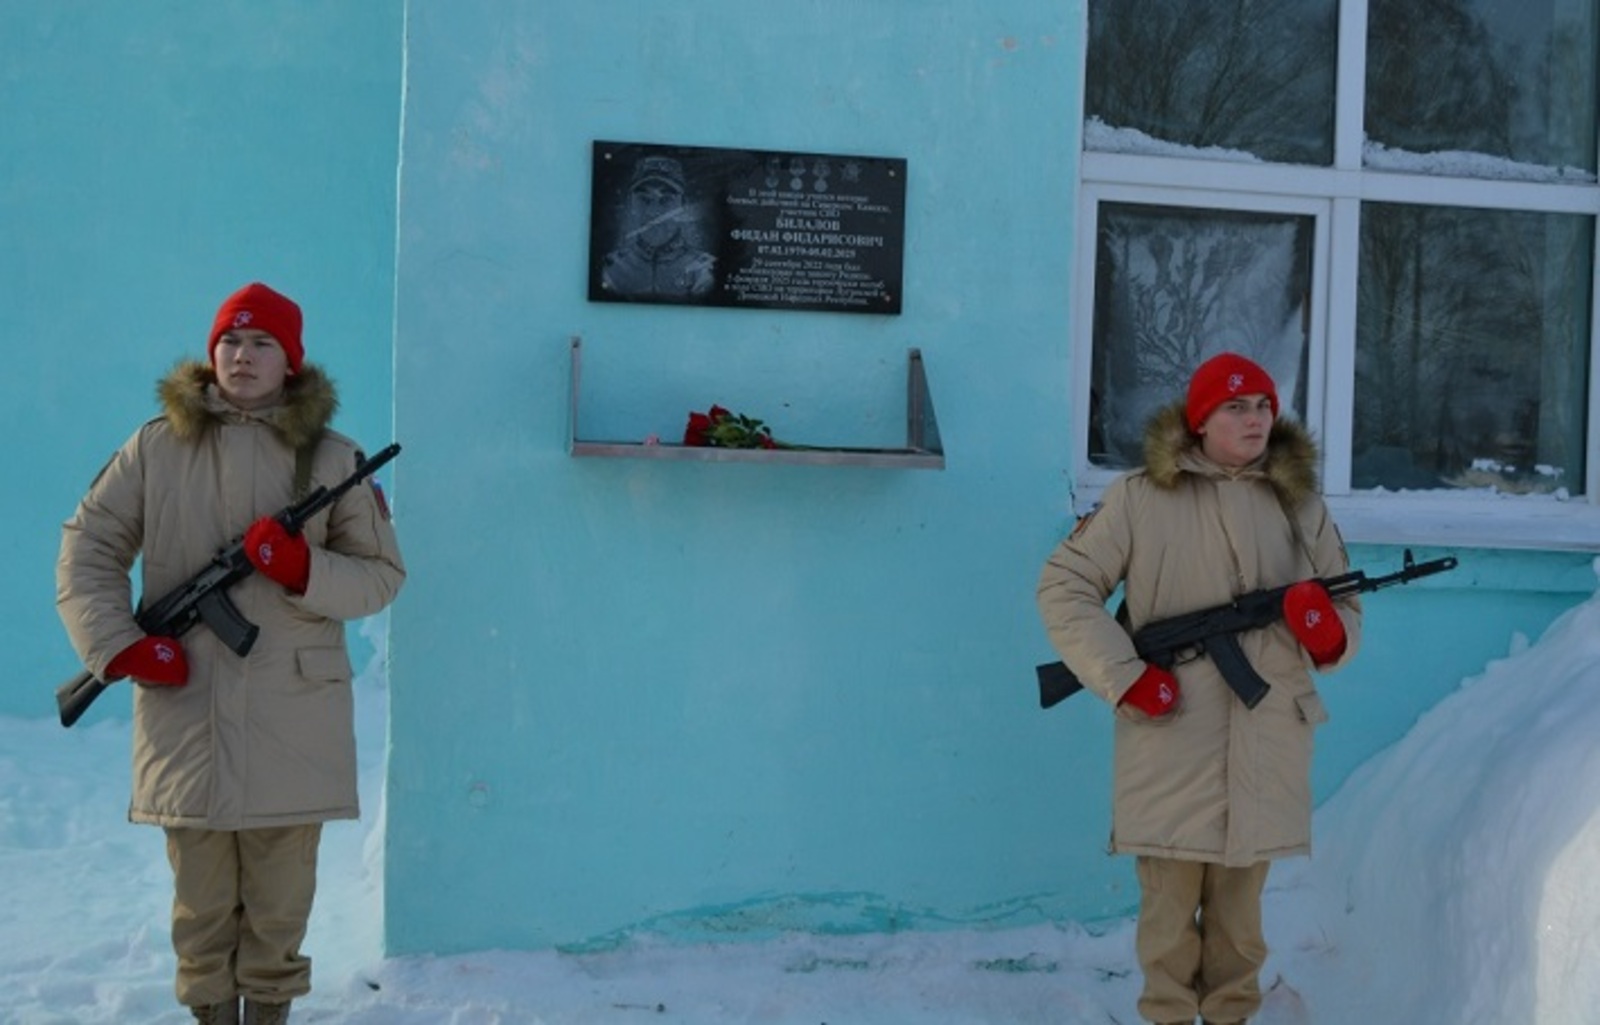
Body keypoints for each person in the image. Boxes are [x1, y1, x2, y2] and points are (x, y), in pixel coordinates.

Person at [56, 282, 406, 1025]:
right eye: (230, 342)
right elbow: (88, 549)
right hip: (190, 714)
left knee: (279, 911)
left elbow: (381, 578)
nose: (242, 357)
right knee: (202, 908)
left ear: (292, 362)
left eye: (262, 344)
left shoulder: (335, 459)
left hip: (294, 715)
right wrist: (121, 647)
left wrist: (303, 570)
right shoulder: (156, 447)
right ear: (211, 354)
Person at [1035, 352, 1361, 1025]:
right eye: (1236, 407)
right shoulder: (1140, 497)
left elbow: (1346, 609)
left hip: (1267, 735)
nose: (1255, 418)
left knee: (1241, 925)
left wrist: (1326, 632)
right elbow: (1064, 588)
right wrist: (1125, 677)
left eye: (1264, 406)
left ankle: (1230, 1018)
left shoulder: (1300, 504)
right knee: (1169, 918)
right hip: (1172, 737)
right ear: (1201, 419)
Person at [600, 155, 716, 300]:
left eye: (666, 199)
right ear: (631, 204)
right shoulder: (611, 270)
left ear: (683, 206)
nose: (653, 211)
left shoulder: (704, 271)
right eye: (644, 199)